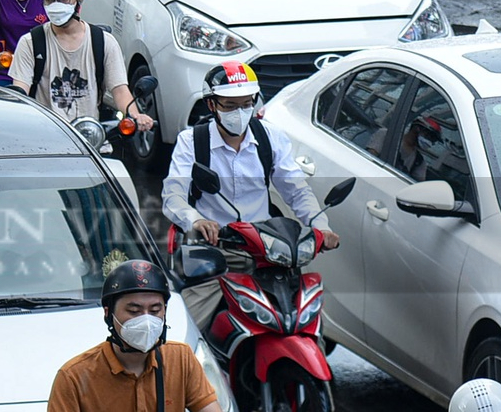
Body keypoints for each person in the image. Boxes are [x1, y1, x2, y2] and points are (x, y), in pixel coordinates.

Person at [162, 62, 335, 333]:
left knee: (305, 325)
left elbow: (296, 189)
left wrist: (321, 226)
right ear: (212, 105)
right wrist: (196, 220)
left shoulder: (271, 138)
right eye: (230, 105)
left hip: (267, 247)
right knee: (187, 330)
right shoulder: (191, 141)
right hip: (215, 250)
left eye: (246, 104)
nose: (239, 113)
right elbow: (173, 196)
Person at [44, 260, 219, 412]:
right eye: (134, 311)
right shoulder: (73, 377)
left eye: (155, 310)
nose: (146, 320)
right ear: (108, 314)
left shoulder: (181, 358)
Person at [8, 0, 154, 132]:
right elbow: (21, 90)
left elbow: (120, 90)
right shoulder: (30, 42)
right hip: (44, 136)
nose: (55, 6)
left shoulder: (104, 42)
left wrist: (135, 116)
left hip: (90, 137)